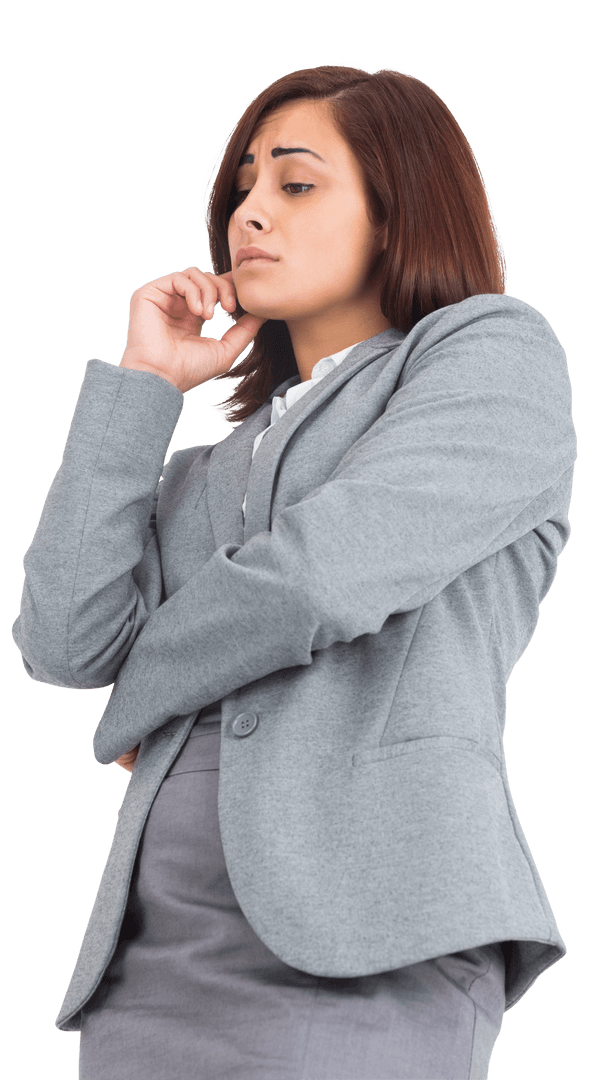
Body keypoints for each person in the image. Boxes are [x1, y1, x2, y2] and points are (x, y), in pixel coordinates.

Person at [10, 62, 577, 1079]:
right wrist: (146, 385)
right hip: (150, 965)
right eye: (240, 188)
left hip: (363, 932)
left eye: (295, 184)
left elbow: (324, 575)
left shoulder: (490, 355)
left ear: (398, 215)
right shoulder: (200, 473)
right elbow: (62, 642)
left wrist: (137, 707)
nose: (249, 213)